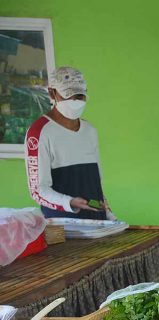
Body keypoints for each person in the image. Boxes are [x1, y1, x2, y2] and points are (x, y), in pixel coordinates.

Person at [25, 66, 114, 220]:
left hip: (97, 222)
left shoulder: (89, 131)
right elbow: (38, 190)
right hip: (62, 226)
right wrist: (69, 202)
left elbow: (95, 181)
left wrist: (107, 212)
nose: (75, 101)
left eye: (80, 96)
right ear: (52, 93)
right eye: (68, 95)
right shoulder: (39, 132)